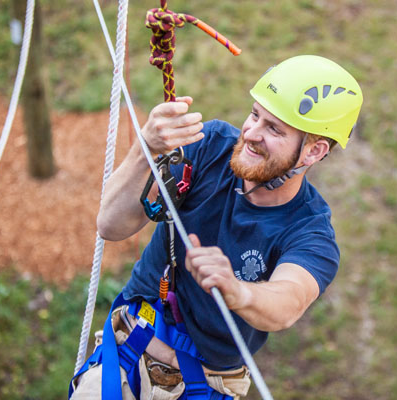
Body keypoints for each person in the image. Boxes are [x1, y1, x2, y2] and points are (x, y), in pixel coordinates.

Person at [69, 55, 363, 400]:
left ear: (313, 151)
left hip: (204, 387)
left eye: (274, 129)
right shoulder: (209, 148)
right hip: (127, 352)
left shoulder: (309, 232)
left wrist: (237, 291)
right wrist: (144, 149)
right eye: (255, 114)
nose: (251, 133)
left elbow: (288, 300)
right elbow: (110, 226)